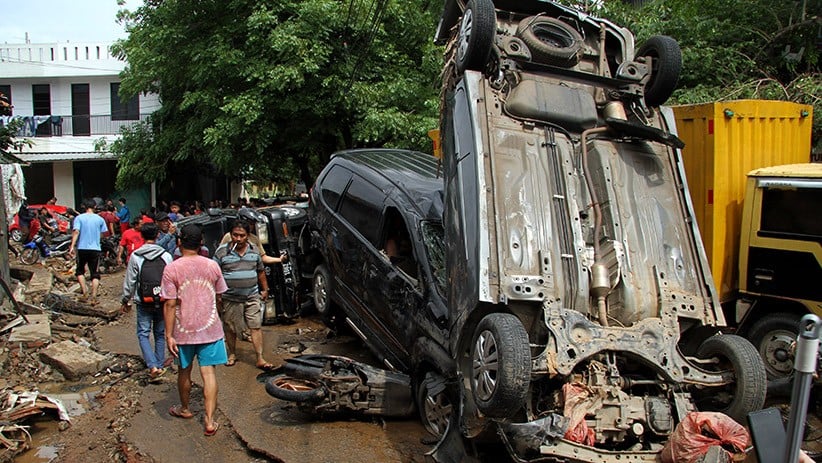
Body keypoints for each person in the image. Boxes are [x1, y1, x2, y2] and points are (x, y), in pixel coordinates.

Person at [161, 224, 228, 436]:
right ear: (201, 243)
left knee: (184, 371)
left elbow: (170, 304)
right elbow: (219, 297)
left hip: (183, 330)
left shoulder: (172, 268)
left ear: (179, 243)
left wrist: (168, 334)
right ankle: (209, 421)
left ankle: (185, 408)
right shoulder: (212, 266)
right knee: (209, 374)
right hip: (210, 329)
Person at [212, 219, 275, 370]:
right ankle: (232, 353)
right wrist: (217, 296)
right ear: (230, 235)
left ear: (248, 236)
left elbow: (260, 271)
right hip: (230, 298)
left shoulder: (254, 250)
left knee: (255, 326)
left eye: (242, 235)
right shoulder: (222, 252)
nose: (238, 239)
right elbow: (214, 274)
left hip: (252, 296)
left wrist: (265, 289)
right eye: (235, 235)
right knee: (230, 327)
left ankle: (260, 358)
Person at [120, 223, 174, 380]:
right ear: (158, 235)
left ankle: (152, 366)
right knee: (159, 333)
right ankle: (159, 363)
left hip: (143, 301)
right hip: (163, 299)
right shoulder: (166, 256)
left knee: (143, 333)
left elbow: (130, 281)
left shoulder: (136, 256)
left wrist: (125, 299)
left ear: (142, 236)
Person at [69, 199, 108, 302]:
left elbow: (76, 232)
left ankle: (85, 292)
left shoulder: (79, 218)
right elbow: (103, 233)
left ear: (84, 207)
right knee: (95, 273)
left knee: (80, 270)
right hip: (95, 249)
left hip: (82, 248)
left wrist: (72, 246)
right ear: (95, 207)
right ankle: (94, 296)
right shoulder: (100, 219)